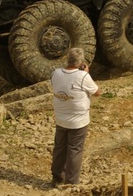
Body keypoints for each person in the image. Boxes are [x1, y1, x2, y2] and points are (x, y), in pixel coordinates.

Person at [50, 47, 100, 187]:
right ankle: (71, 183)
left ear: (67, 59)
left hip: (61, 118)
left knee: (59, 147)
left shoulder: (56, 73)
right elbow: (97, 92)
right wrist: (86, 74)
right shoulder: (83, 76)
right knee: (75, 149)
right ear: (81, 62)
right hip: (78, 120)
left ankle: (57, 177)